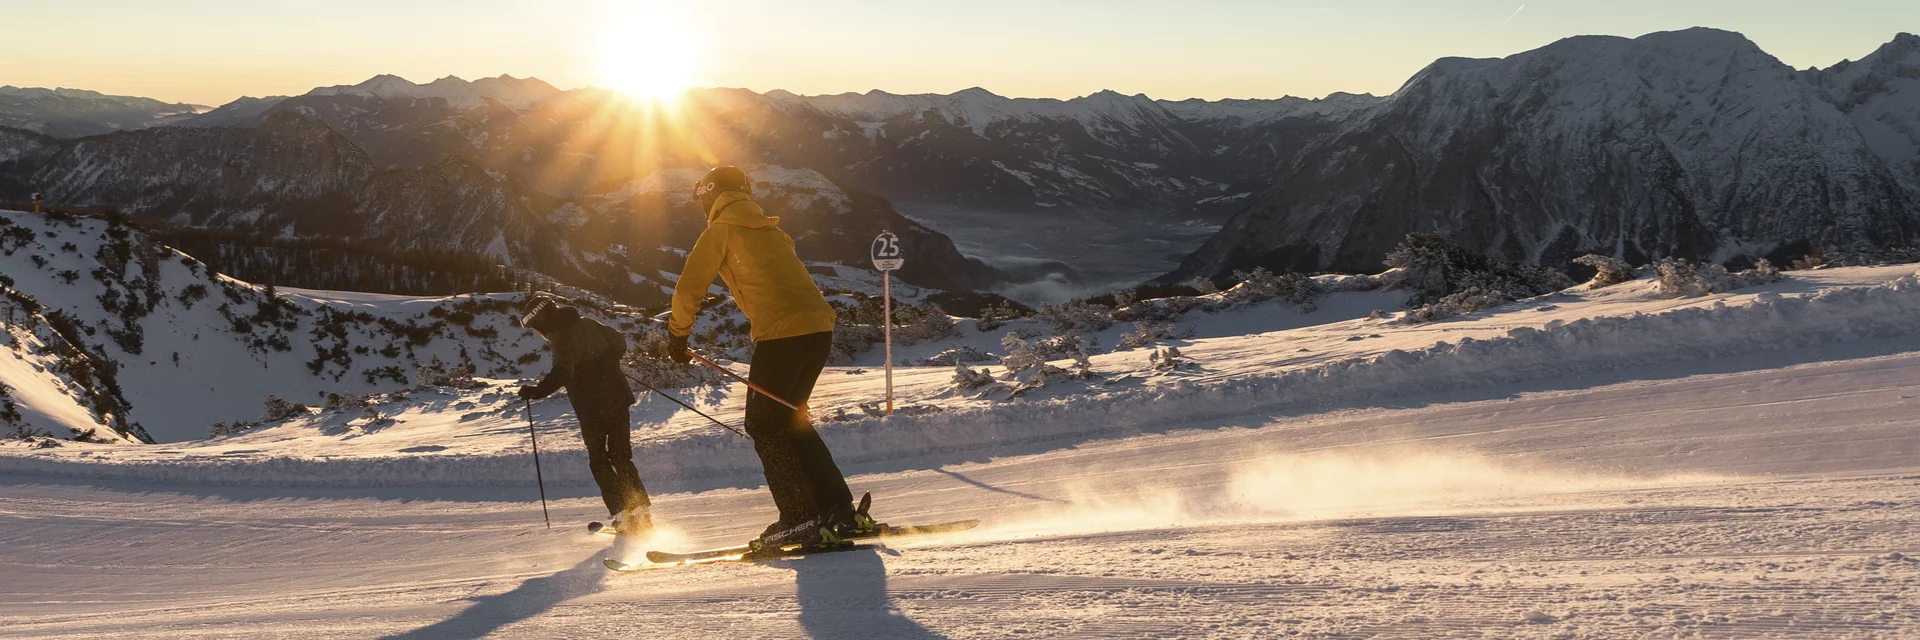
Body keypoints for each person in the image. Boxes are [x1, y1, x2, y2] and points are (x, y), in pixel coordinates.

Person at [667, 165, 867, 551]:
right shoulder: (772, 229)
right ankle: (837, 509)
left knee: (763, 426)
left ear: (710, 196)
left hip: (783, 337)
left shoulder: (719, 231)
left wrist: (677, 335)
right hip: (819, 331)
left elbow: (688, 288)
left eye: (702, 199)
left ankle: (799, 517)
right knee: (792, 421)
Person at [517, 297, 651, 535]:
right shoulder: (588, 322)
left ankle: (623, 517)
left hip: (592, 407)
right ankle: (641, 513)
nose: (538, 333)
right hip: (618, 397)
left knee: (599, 460)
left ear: (541, 320)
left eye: (535, 327)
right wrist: (608, 364)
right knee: (621, 456)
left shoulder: (559, 337)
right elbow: (619, 342)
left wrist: (536, 392)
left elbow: (561, 372)